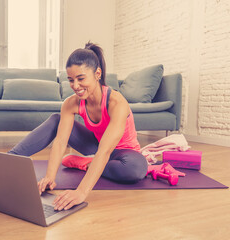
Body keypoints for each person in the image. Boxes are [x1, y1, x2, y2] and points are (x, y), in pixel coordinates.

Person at [8, 42, 148, 211]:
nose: (75, 86)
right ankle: (5, 161)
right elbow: (60, 142)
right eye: (71, 80)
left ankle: (86, 163)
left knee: (137, 170)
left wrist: (81, 192)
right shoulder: (71, 103)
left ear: (97, 74)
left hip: (124, 153)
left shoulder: (116, 102)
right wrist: (49, 177)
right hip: (96, 145)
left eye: (81, 79)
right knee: (56, 120)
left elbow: (105, 151)